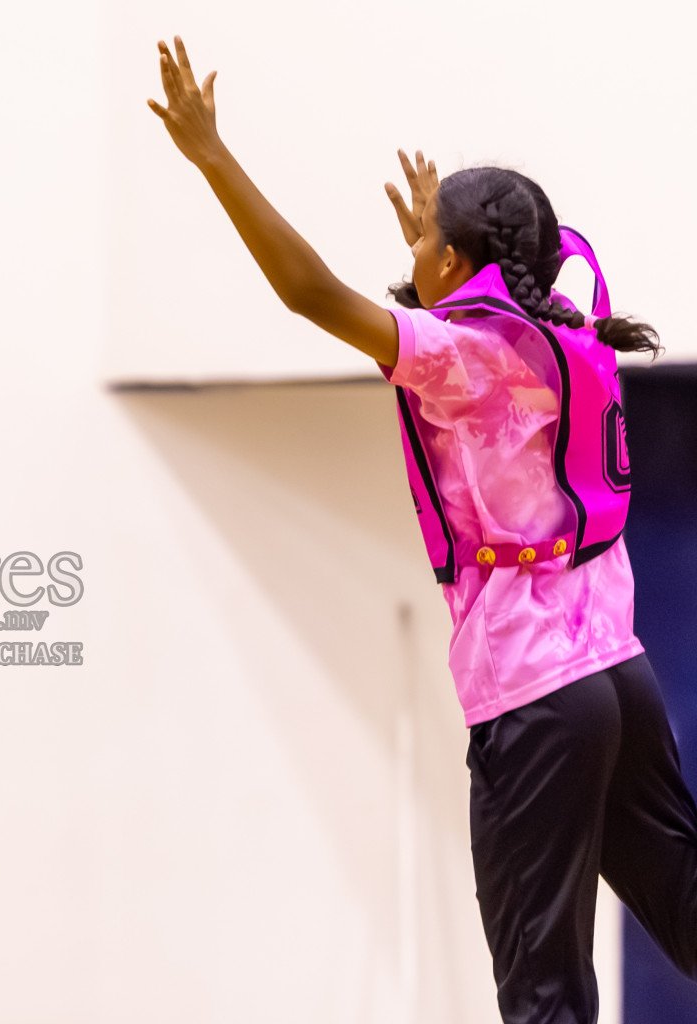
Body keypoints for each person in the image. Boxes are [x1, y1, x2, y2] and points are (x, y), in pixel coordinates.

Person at [149, 34, 697, 1024]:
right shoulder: (568, 335)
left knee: (543, 993)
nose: (412, 262)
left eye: (424, 247)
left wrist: (213, 156)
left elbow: (313, 295)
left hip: (539, 695)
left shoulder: (469, 358)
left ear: (453, 260)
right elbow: (455, 323)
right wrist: (435, 259)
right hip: (619, 671)